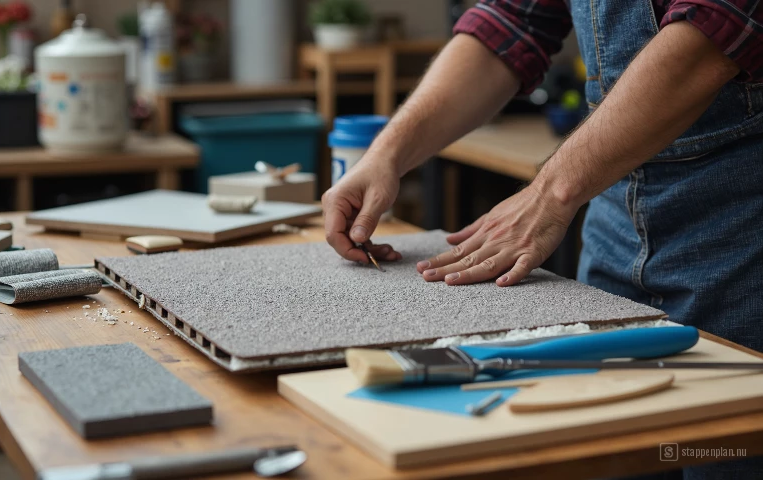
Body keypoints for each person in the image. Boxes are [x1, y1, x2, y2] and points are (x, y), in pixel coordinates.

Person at [322, 2, 762, 477]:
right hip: (612, 236)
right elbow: (511, 23)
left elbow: (711, 33)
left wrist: (552, 192)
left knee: (724, 458)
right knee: (609, 455)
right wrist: (386, 154)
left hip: (740, 238)